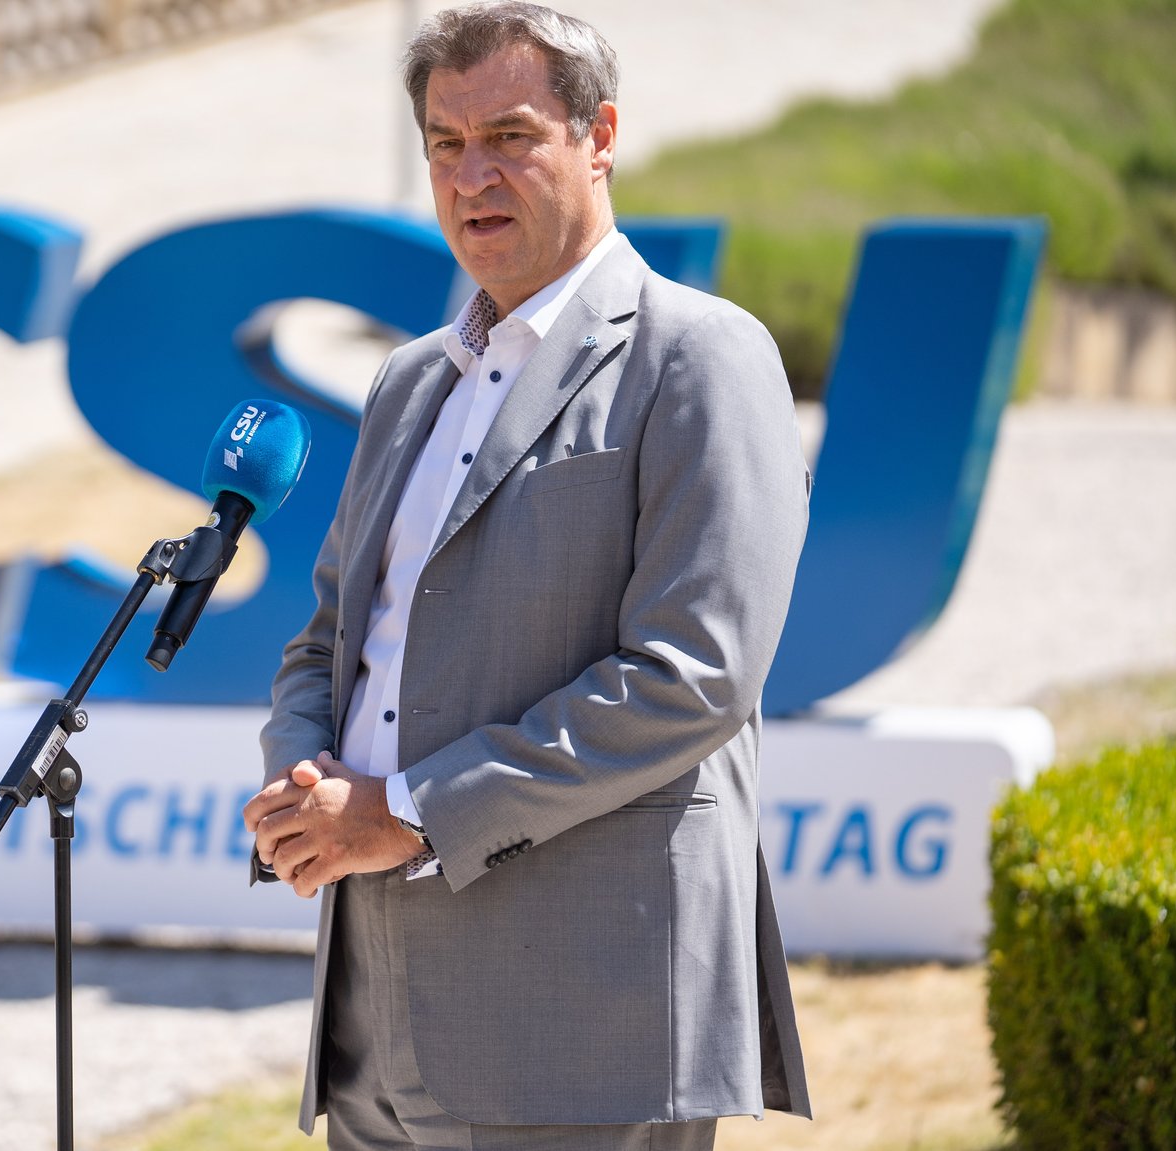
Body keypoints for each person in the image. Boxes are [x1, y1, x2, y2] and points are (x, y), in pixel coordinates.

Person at [242, 4, 813, 1147]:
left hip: (582, 1022)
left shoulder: (699, 356)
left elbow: (690, 676)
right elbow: (328, 637)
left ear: (598, 135)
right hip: (372, 1005)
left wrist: (401, 814)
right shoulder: (410, 380)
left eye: (509, 136)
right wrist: (306, 786)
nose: (473, 177)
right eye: (446, 147)